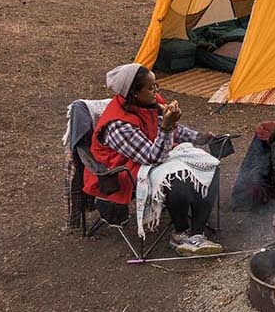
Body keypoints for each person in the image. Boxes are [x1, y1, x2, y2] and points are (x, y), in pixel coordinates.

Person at [86, 63, 223, 256]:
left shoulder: (151, 102)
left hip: (154, 156)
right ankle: (180, 234)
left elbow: (174, 130)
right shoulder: (117, 125)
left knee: (210, 166)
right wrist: (166, 127)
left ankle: (197, 233)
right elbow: (152, 157)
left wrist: (199, 137)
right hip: (124, 170)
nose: (156, 91)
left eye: (156, 86)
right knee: (178, 179)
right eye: (151, 88)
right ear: (134, 93)